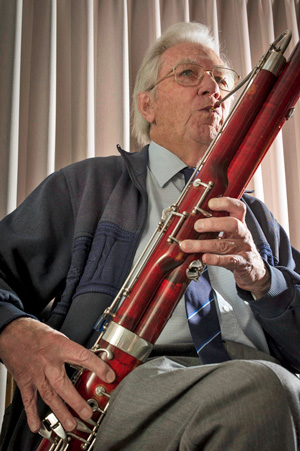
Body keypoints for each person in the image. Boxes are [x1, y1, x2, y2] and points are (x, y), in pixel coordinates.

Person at [1, 21, 300, 451]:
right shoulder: (87, 187)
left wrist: (263, 278)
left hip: (263, 378)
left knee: (269, 388)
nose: (211, 88)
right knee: (262, 393)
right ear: (148, 105)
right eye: (188, 74)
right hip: (129, 384)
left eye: (221, 79)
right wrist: (14, 332)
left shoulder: (256, 219)